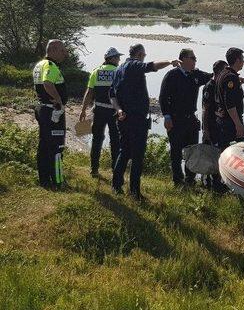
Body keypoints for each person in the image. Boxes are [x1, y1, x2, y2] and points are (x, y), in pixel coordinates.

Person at [110, 44, 181, 201]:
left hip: (123, 118)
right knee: (137, 156)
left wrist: (119, 110)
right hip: (136, 120)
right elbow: (152, 66)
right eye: (144, 54)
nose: (145, 57)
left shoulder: (118, 70)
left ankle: (116, 185)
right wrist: (170, 61)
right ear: (140, 54)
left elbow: (112, 95)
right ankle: (135, 192)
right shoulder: (134, 65)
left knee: (124, 151)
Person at [159, 48, 213, 186]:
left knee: (192, 152)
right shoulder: (172, 75)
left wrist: (232, 77)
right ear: (183, 59)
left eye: (195, 58)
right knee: (176, 153)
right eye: (193, 58)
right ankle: (178, 180)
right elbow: (163, 98)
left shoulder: (195, 75)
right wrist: (167, 117)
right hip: (175, 120)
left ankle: (190, 180)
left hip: (190, 120)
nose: (195, 61)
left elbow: (213, 76)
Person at [79, 47, 124, 176]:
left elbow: (89, 93)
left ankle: (94, 170)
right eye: (117, 57)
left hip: (98, 110)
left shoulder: (96, 71)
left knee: (97, 139)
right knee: (115, 140)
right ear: (112, 59)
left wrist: (83, 110)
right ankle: (115, 170)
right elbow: (123, 93)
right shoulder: (119, 72)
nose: (119, 60)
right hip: (114, 111)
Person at [32, 39, 68, 189]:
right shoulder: (50, 65)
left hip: (42, 109)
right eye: (62, 50)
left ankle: (44, 180)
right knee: (57, 147)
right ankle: (58, 181)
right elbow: (47, 83)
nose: (65, 54)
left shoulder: (39, 65)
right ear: (52, 50)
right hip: (53, 112)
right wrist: (59, 100)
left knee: (44, 145)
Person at [214, 47, 244, 150]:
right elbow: (230, 104)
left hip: (223, 121)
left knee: (223, 153)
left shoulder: (223, 74)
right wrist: (238, 125)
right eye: (242, 59)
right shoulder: (231, 78)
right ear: (237, 60)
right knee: (237, 152)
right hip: (230, 124)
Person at [202, 60, 228, 146]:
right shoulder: (210, 86)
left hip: (219, 128)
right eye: (226, 70)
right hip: (211, 128)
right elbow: (205, 109)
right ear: (220, 71)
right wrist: (206, 131)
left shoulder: (220, 85)